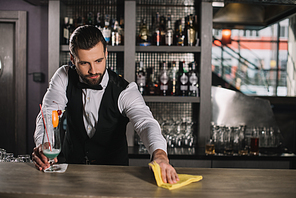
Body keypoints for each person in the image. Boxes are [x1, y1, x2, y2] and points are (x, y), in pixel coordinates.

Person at [32, 25, 179, 184]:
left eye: (98, 61)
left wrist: (160, 155)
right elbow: (48, 113)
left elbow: (146, 123)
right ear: (73, 59)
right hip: (71, 173)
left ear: (106, 54)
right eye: (84, 63)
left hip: (114, 176)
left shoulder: (125, 90)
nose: (93, 70)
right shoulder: (64, 76)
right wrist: (43, 144)